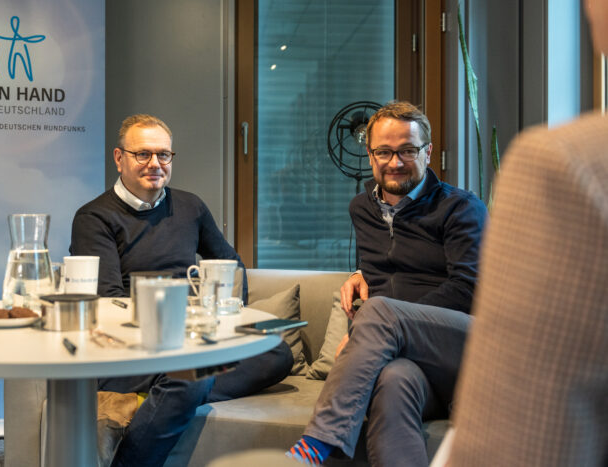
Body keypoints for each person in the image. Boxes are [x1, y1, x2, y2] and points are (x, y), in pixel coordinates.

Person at [70, 114, 293, 466]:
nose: (155, 163)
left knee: (277, 353)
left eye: (164, 155)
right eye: (143, 154)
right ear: (119, 158)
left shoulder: (190, 206)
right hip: (131, 348)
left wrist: (223, 316)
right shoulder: (94, 217)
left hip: (191, 338)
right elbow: (109, 301)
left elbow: (230, 265)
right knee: (190, 378)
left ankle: (158, 395)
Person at [445, 1, 608, 464]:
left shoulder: (569, 166)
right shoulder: (365, 211)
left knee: (382, 318)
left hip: (440, 333)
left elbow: (517, 450)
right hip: (400, 353)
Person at [286, 101, 488, 466]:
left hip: (460, 346)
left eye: (407, 151)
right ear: (369, 154)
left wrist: (374, 325)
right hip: (405, 360)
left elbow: (469, 289)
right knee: (393, 383)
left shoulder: (460, 208)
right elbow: (385, 267)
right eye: (384, 152)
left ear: (426, 151)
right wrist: (360, 275)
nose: (395, 162)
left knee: (377, 311)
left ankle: (316, 445)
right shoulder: (361, 208)